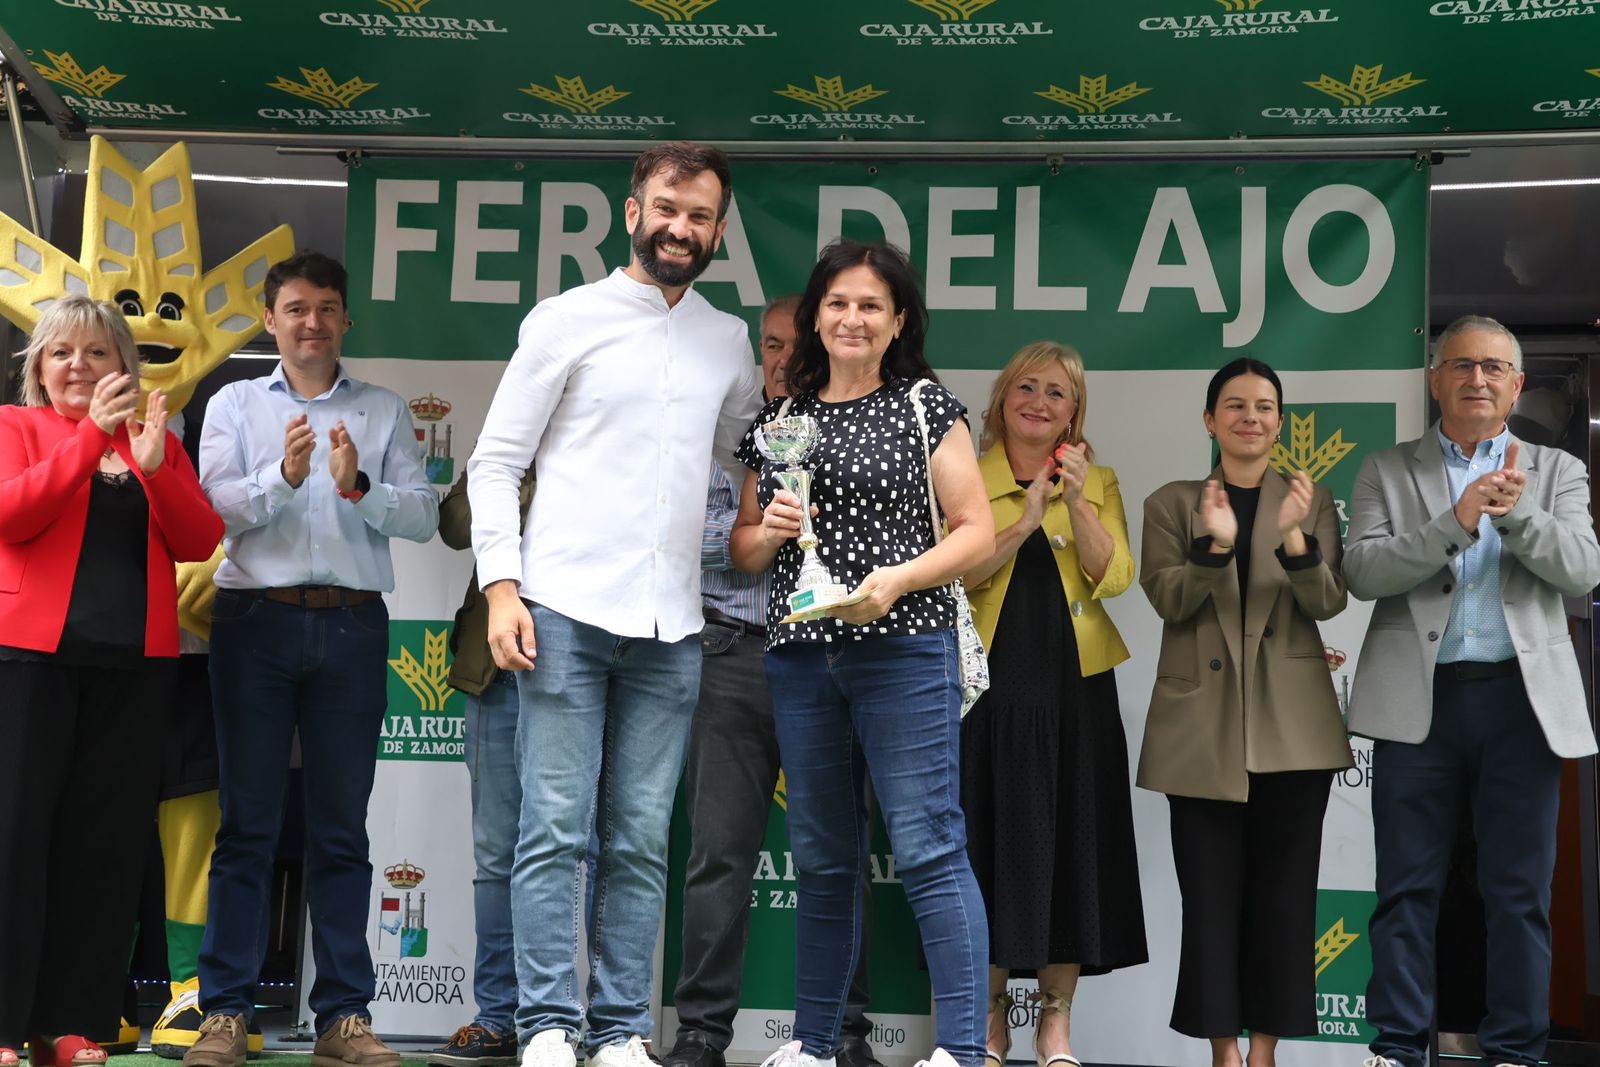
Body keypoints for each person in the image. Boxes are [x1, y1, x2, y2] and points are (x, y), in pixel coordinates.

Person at [467, 140, 761, 1067]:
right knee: (554, 828)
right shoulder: (564, 319)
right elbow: (494, 462)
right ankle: (549, 1024)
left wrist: (785, 506)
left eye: (701, 214)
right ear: (632, 210)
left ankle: (621, 1029)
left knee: (638, 838)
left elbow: (750, 453)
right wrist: (501, 590)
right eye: (668, 206)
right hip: (559, 611)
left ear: (718, 229)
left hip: (674, 629)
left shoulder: (727, 338)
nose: (682, 226)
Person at [731, 240, 995, 1067]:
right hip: (802, 656)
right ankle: (811, 1045)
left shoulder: (925, 404)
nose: (852, 318)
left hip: (905, 649)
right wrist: (764, 532)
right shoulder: (778, 422)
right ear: (815, 315)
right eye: (838, 303)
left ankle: (957, 1049)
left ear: (898, 321)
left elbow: (979, 532)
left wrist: (900, 578)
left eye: (871, 305)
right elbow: (741, 549)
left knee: (928, 844)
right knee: (819, 856)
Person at [186, 251, 439, 1067]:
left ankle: (344, 1019)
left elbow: (424, 515)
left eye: (327, 307)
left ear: (345, 320)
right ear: (271, 318)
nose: (312, 322)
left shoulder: (383, 410)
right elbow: (215, 508)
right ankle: (224, 1012)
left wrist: (357, 483)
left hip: (353, 626)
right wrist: (284, 477)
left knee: (341, 830)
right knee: (247, 826)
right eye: (296, 307)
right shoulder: (231, 403)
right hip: (254, 622)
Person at [1345, 316, 1600, 1067]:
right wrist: (1454, 522)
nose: (1477, 379)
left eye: (1494, 367)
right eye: (1461, 365)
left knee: (1518, 894)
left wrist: (1516, 511)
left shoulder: (1556, 470)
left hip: (1522, 706)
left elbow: (1583, 570)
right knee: (1404, 891)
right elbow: (1364, 571)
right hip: (1416, 702)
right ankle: (1395, 1047)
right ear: (1435, 380)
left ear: (1517, 384)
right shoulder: (1385, 469)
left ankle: (1517, 1049)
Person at [0, 294, 223, 1067]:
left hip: (136, 666)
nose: (79, 366)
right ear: (38, 367)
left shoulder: (152, 441)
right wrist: (91, 433)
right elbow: (13, 514)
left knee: (101, 853)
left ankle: (65, 1024)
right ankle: (1, 1025)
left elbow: (200, 536)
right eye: (62, 352)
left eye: (97, 353)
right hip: (29, 661)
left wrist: (157, 466)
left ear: (124, 368)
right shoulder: (15, 427)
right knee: (14, 841)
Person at [666, 296, 883, 1067]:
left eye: (797, 345)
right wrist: (759, 534)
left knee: (836, 856)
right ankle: (700, 1032)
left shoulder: (857, 429)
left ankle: (843, 1035)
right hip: (732, 652)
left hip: (827, 659)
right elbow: (683, 542)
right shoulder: (727, 436)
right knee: (718, 854)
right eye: (771, 345)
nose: (783, 359)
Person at [1137, 357, 1352, 1067]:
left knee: (1285, 904)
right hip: (1200, 732)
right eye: (1234, 405)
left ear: (1280, 421)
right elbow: (1169, 599)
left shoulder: (1309, 497)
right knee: (1210, 903)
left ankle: (1264, 1052)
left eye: (1264, 406)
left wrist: (1294, 537)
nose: (1250, 417)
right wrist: (1216, 543)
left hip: (1294, 731)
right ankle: (1223, 1052)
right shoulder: (1172, 502)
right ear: (1210, 419)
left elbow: (1327, 601)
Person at [959, 342, 1146, 1067]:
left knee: (1074, 849)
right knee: (985, 849)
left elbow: (1117, 574)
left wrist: (1072, 499)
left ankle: (1056, 1027)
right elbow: (961, 569)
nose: (1040, 402)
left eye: (1058, 393)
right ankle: (990, 1016)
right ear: (1003, 399)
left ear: (1075, 414)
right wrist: (1027, 514)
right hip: (989, 693)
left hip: (1077, 695)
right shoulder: (966, 477)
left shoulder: (1096, 480)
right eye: (1027, 388)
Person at [428, 465, 537, 1067]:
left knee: (592, 848)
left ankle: (593, 1022)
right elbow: (454, 527)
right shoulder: (508, 435)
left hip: (597, 665)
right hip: (498, 665)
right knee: (497, 853)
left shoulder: (613, 416)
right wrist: (511, 463)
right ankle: (499, 1015)